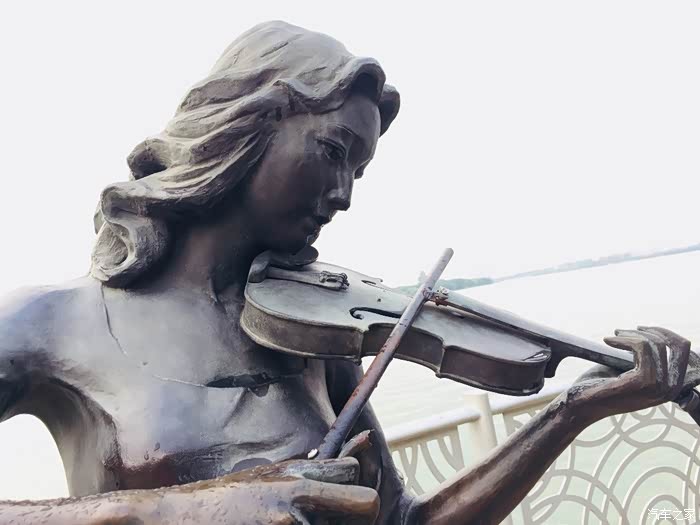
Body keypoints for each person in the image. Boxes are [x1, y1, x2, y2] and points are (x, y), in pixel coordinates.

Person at [0, 21, 692, 525]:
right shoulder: (52, 321)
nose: (344, 195)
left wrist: (573, 410)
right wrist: (169, 510)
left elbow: (406, 522)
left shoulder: (307, 334)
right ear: (249, 125)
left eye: (358, 172)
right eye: (335, 152)